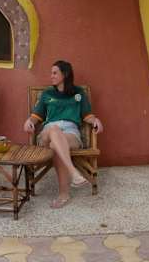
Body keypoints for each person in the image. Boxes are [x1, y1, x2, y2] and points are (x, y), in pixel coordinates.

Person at [23, 60, 103, 209]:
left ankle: (64, 195)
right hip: (47, 132)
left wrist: (95, 120)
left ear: (65, 74)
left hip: (70, 132)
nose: (51, 76)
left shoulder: (78, 93)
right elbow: (36, 115)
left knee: (56, 146)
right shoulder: (47, 93)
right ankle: (74, 173)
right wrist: (29, 121)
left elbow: (87, 115)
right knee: (54, 130)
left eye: (55, 73)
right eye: (51, 73)